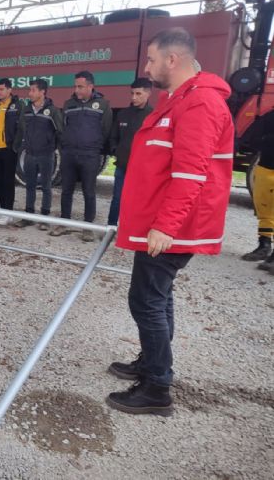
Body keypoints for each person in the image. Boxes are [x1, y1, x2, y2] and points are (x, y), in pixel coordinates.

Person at [107, 27, 234, 415]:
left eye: (151, 59)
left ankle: (157, 388)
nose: (147, 67)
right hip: (163, 224)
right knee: (157, 298)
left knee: (146, 300)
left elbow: (192, 173)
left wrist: (165, 225)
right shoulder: (179, 100)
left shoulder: (200, 104)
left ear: (172, 60)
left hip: (172, 228)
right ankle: (151, 365)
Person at [50, 71, 112, 241]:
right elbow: (62, 127)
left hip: (90, 155)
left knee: (89, 191)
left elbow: (106, 130)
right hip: (69, 154)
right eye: (75, 86)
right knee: (66, 190)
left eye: (80, 86)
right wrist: (65, 145)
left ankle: (88, 227)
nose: (77, 90)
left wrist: (94, 146)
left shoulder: (103, 105)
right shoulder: (69, 104)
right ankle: (64, 222)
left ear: (90, 86)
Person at [13, 79, 63, 229]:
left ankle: (44, 218)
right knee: (30, 186)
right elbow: (21, 130)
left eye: (33, 90)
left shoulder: (52, 111)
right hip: (29, 154)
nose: (30, 93)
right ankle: (28, 216)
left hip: (45, 155)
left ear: (43, 92)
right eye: (30, 90)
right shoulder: (27, 110)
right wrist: (16, 147)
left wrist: (56, 148)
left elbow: (60, 132)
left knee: (46, 187)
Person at [107, 78, 153, 227]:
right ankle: (111, 227)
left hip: (142, 169)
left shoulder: (153, 116)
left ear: (148, 94)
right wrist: (116, 150)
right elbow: (113, 136)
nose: (134, 97)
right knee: (117, 199)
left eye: (138, 94)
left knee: (139, 200)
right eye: (132, 93)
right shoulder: (123, 114)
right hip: (122, 166)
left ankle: (133, 228)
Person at [0, 78, 23, 226]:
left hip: (8, 150)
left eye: (1, 89)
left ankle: (9, 213)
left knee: (8, 182)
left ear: (9, 90)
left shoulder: (17, 105)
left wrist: (14, 146)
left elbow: (22, 129)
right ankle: (1, 210)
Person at [242, 110, 274, 270]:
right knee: (264, 209)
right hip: (265, 167)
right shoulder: (270, 116)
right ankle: (264, 245)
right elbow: (251, 139)